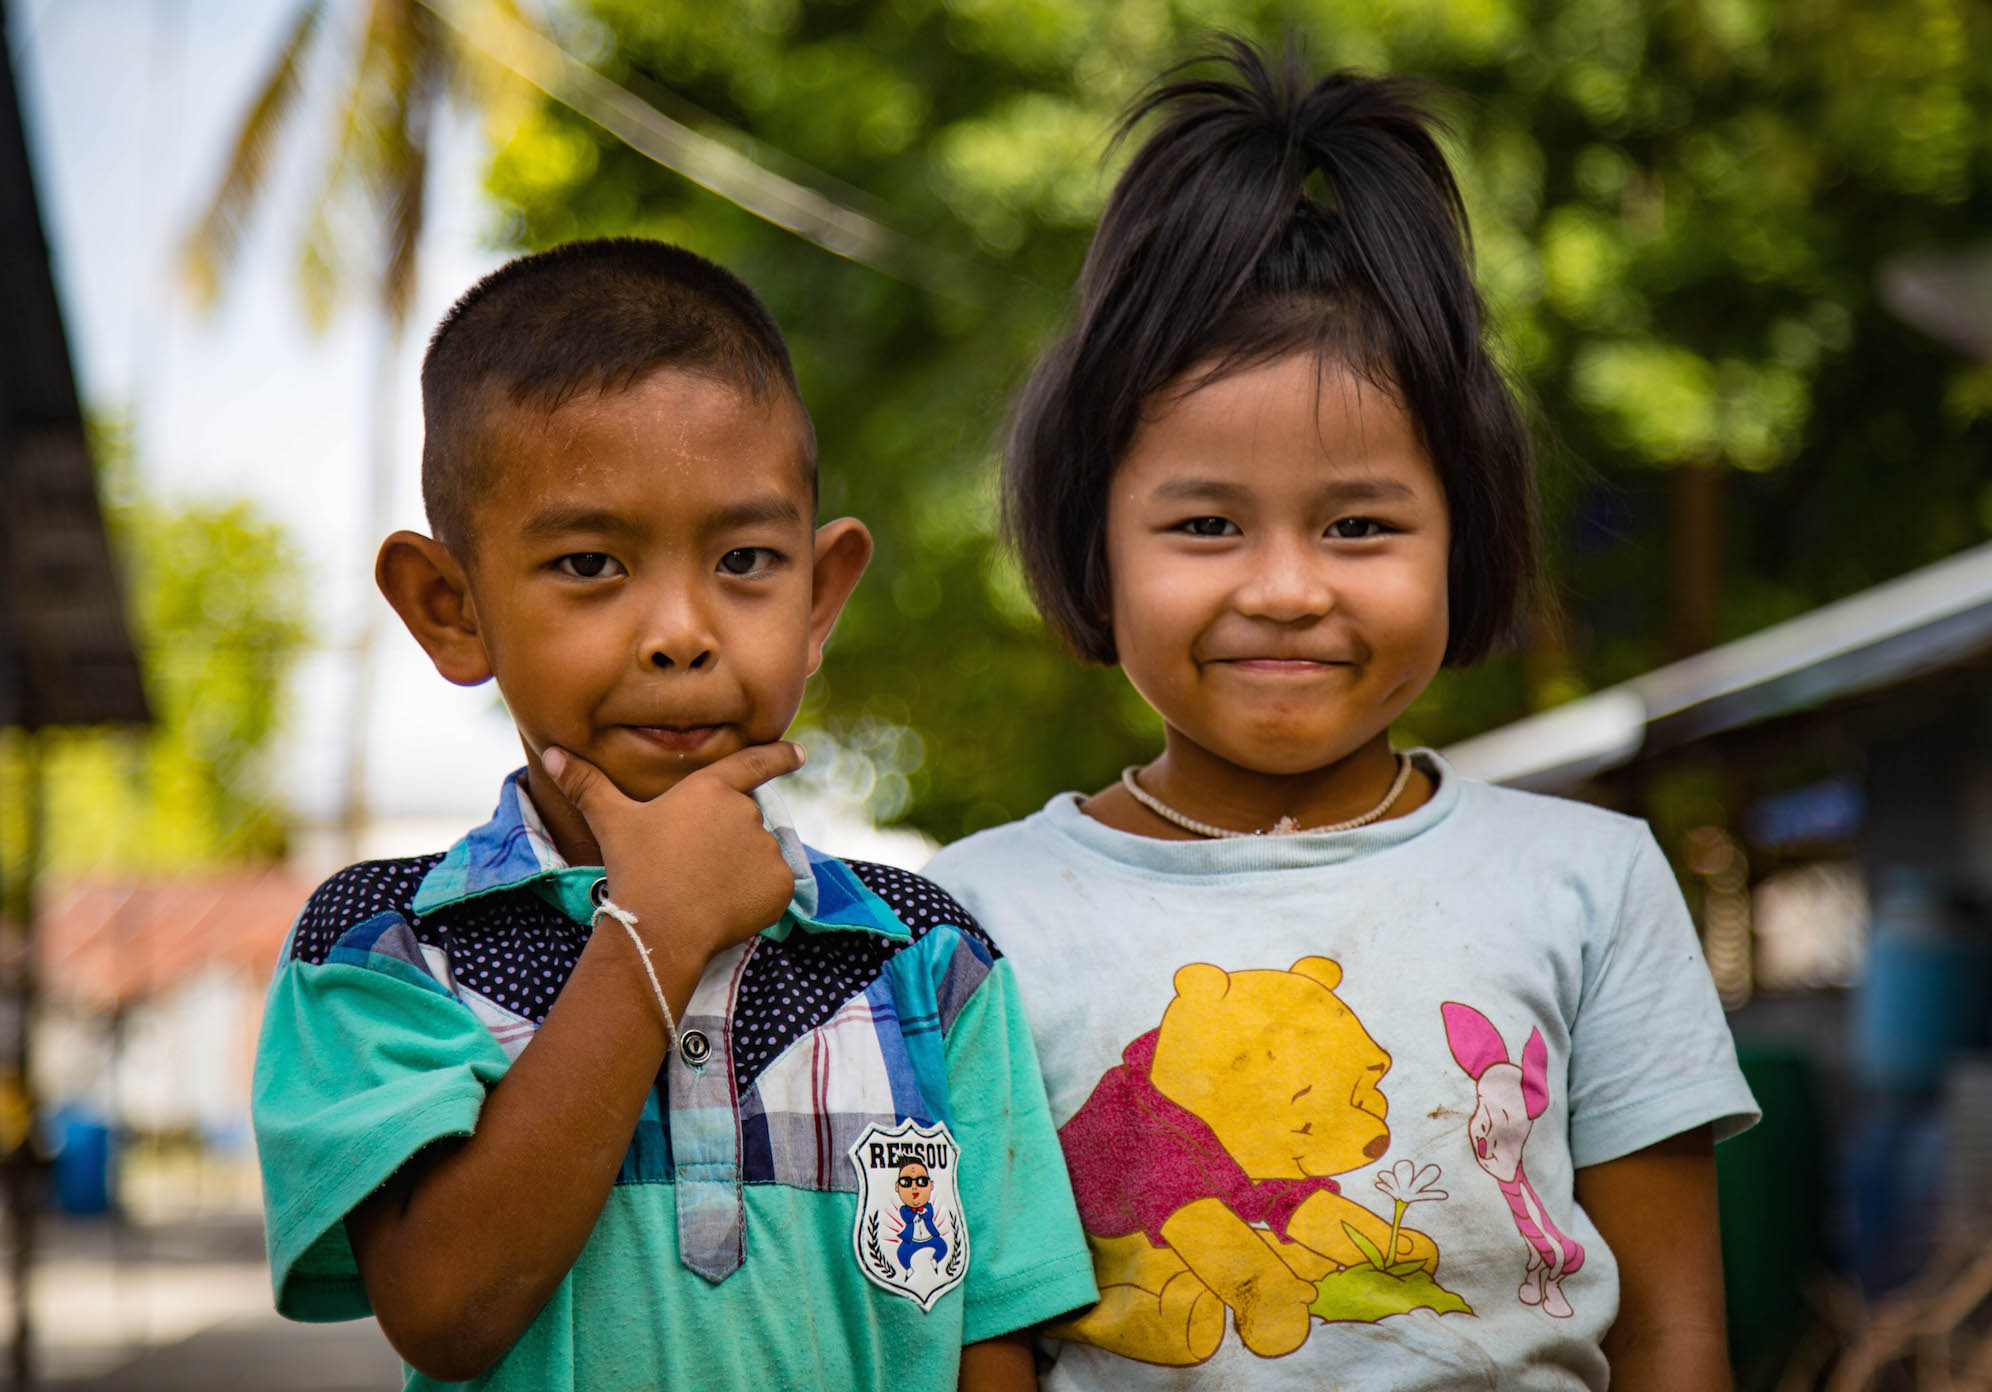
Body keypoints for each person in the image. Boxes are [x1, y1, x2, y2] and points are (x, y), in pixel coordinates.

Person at [923, 38, 1759, 1392]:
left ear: (1464, 537)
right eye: (1205, 524)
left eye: (1360, 524)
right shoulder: (975, 924)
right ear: (1094, 544)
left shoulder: (1591, 884)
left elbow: (1676, 1335)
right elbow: (980, 1348)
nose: (1287, 589)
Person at [252, 238, 1097, 1392]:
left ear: (819, 595)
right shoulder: (382, 949)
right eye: (591, 562)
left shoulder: (928, 962)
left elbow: (991, 1344)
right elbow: (445, 1311)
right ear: (453, 609)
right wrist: (654, 930)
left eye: (746, 558)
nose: (680, 631)